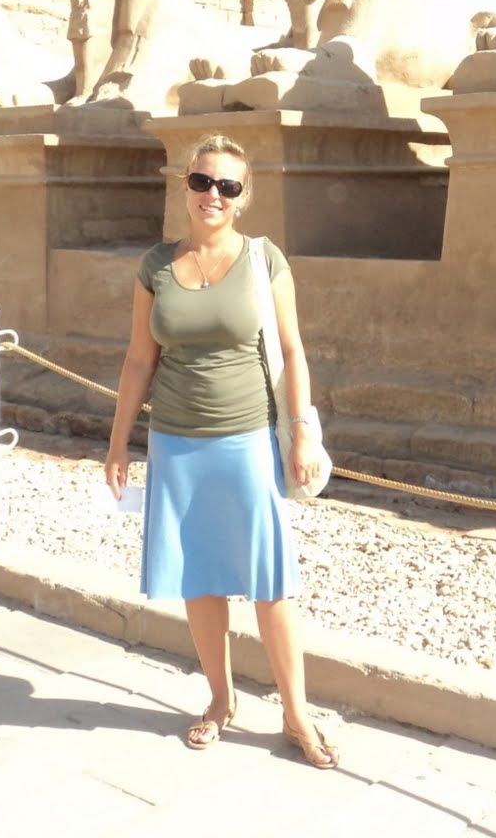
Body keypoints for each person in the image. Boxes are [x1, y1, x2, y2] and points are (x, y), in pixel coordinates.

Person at [104, 133, 337, 768]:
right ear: (185, 186)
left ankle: (296, 713)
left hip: (247, 439)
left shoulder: (264, 259)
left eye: (227, 186)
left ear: (243, 197)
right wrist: (119, 442)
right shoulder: (156, 264)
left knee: (270, 580)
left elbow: (292, 349)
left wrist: (302, 430)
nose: (213, 194)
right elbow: (139, 358)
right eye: (202, 181)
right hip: (176, 441)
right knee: (199, 575)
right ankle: (220, 699)